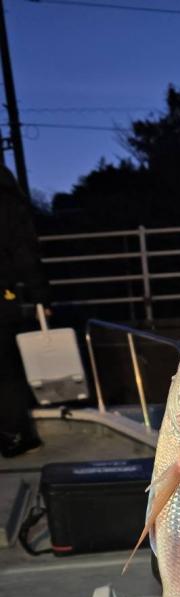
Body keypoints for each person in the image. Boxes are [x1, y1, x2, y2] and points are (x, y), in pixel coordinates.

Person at [0, 164, 50, 458]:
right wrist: (41, 297)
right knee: (7, 371)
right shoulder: (7, 202)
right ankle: (15, 435)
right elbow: (24, 253)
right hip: (3, 296)